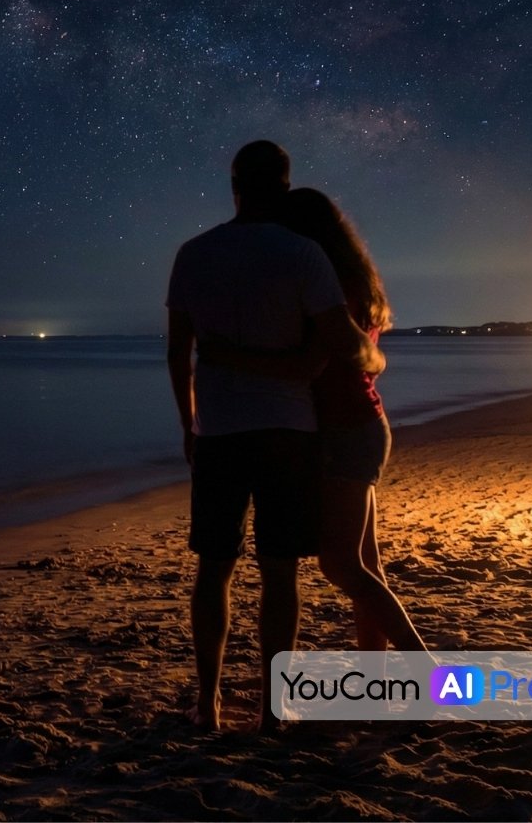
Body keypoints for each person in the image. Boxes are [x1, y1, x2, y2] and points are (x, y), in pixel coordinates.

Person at [165, 140, 383, 732]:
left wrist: (189, 426)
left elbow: (177, 353)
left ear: (233, 186)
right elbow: (339, 340)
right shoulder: (304, 254)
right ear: (284, 188)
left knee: (214, 568)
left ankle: (208, 704)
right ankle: (270, 710)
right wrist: (368, 358)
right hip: (290, 430)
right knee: (280, 572)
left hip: (220, 431)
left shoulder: (192, 254)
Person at [206, 187, 427, 653]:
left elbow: (307, 365)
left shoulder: (327, 288)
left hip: (346, 430)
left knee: (340, 565)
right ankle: (376, 679)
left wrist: (230, 357)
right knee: (364, 562)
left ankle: (427, 673)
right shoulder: (352, 280)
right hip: (361, 424)